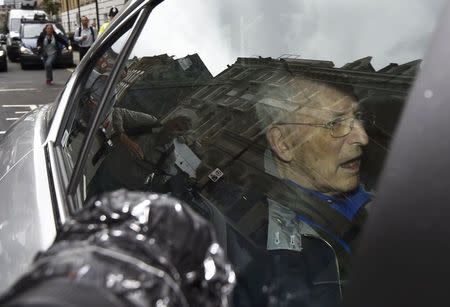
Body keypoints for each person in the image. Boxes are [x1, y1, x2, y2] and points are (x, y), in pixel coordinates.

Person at [232, 75, 373, 306]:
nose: (363, 137)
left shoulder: (367, 185)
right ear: (284, 143)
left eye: (358, 117)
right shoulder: (282, 265)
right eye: (334, 123)